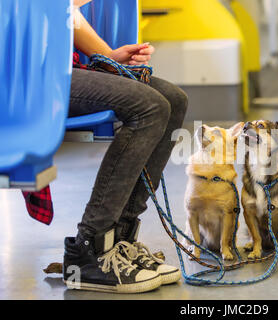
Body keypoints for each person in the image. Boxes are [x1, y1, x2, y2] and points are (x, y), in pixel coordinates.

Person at [63, 1, 187, 293]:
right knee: (149, 106)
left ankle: (120, 239)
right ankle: (89, 247)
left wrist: (107, 56)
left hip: (64, 68)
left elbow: (66, 11)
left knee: (173, 98)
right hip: (28, 77)